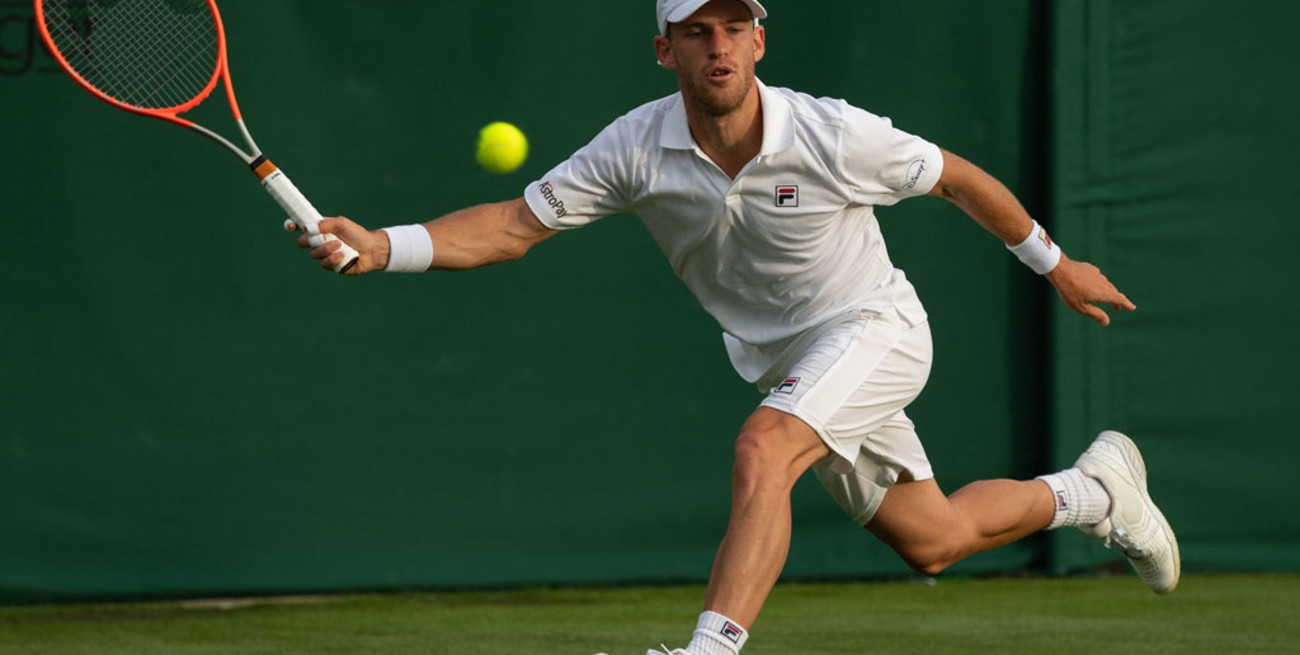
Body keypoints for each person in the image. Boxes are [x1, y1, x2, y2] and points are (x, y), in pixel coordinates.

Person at [293, 1, 1180, 653]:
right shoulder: (633, 148)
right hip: (789, 356)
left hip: (876, 325)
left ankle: (708, 652)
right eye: (695, 31)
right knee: (934, 539)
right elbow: (513, 227)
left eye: (732, 27)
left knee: (765, 447)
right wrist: (383, 244)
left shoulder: (833, 133)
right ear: (664, 49)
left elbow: (955, 176)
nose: (717, 46)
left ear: (760, 39)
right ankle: (1098, 493)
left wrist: (1054, 263)